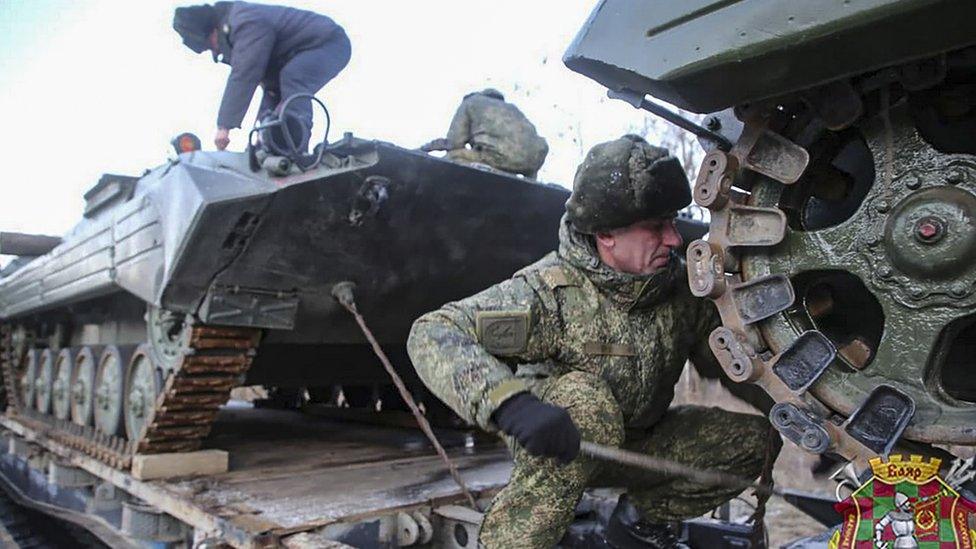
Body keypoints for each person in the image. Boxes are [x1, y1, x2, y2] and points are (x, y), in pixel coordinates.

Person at [408, 134, 780, 549]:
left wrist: (802, 421)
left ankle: (638, 524)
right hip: (562, 444)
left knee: (756, 439)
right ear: (607, 235)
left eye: (673, 223)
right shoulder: (548, 293)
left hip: (637, 446)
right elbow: (435, 332)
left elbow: (731, 364)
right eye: (656, 227)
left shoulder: (677, 292)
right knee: (587, 404)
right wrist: (510, 405)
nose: (674, 239)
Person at [173, 2, 351, 152]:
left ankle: (295, 148)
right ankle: (271, 148)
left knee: (294, 78)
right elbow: (270, 87)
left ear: (212, 32)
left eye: (210, 47)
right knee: (270, 106)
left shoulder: (243, 22)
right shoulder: (236, 24)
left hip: (327, 43)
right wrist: (261, 135)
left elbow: (245, 72)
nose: (215, 51)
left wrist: (224, 126)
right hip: (293, 57)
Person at [421, 89, 549, 179]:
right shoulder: (512, 109)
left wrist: (425, 148)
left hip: (495, 156)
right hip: (531, 164)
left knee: (452, 158)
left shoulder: (471, 102)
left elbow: (454, 142)